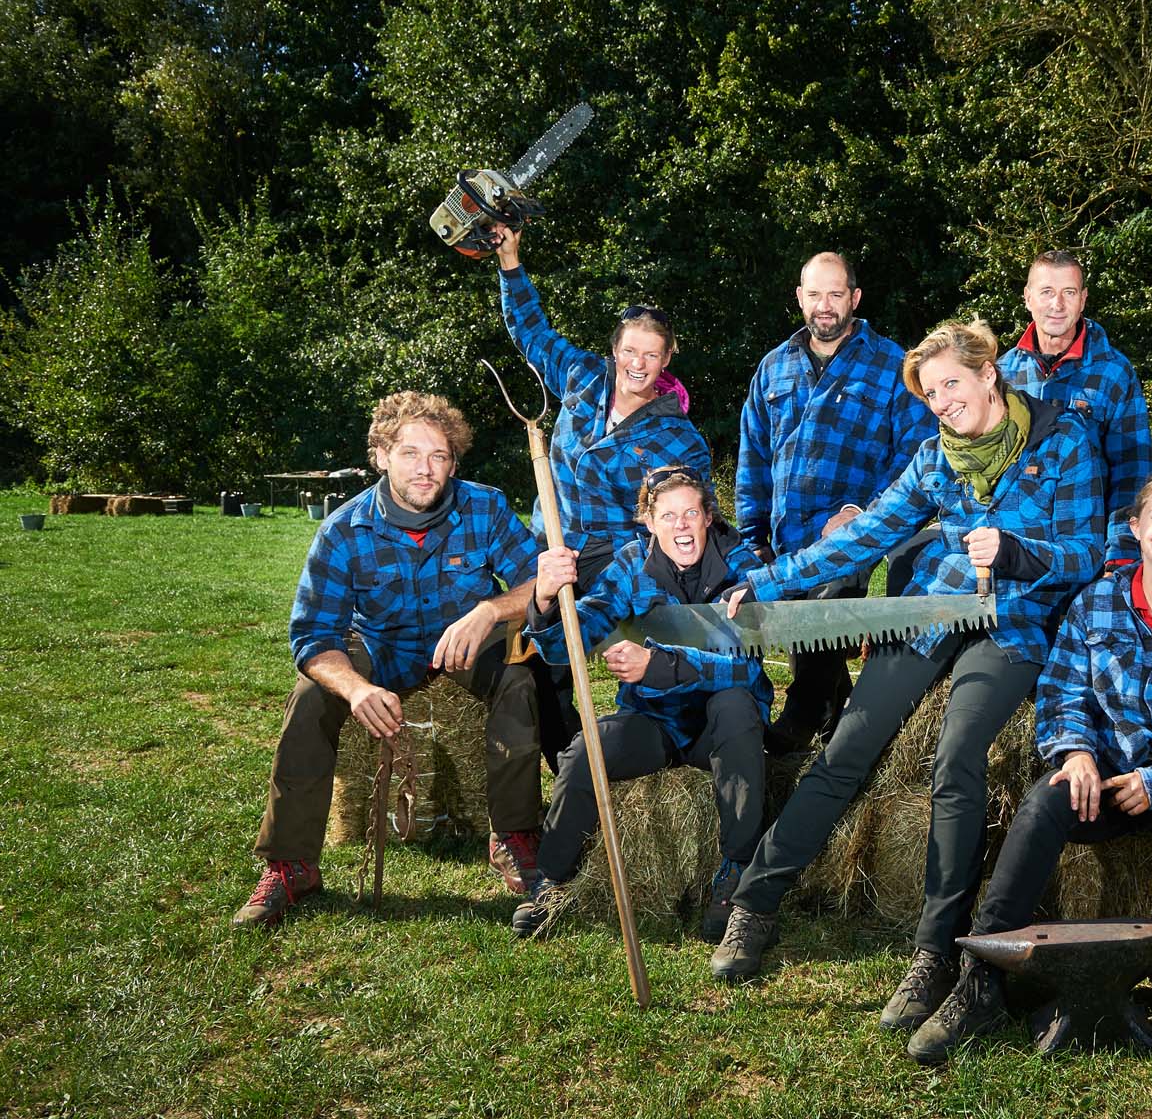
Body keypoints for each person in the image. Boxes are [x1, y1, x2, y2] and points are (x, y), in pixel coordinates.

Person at [708, 320, 1104, 1037]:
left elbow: (1086, 552)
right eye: (930, 393)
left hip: (1010, 626)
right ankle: (753, 905)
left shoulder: (1063, 441)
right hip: (928, 615)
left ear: (989, 374)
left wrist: (1018, 552)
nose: (942, 401)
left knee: (957, 761)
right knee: (845, 752)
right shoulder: (932, 459)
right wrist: (765, 584)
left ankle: (932, 954)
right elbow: (866, 535)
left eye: (952, 383)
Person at [906, 471, 1152, 1062]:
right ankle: (982, 977)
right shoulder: (1096, 601)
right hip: (1104, 777)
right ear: (1135, 529)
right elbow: (1062, 694)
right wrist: (1076, 752)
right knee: (1040, 805)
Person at [233, 391, 543, 927]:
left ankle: (514, 834)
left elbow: (539, 581)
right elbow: (312, 636)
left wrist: (489, 611)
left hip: (459, 640)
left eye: (439, 456)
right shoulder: (343, 530)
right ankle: (292, 866)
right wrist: (355, 688)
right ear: (381, 455)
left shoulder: (485, 506)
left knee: (519, 678)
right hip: (378, 645)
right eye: (410, 453)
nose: (426, 469)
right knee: (310, 698)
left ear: (454, 461)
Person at [510, 466, 772, 942]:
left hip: (719, 726)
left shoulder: (744, 566)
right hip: (655, 722)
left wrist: (663, 665)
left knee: (737, 704)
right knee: (589, 748)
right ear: (648, 522)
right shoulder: (630, 565)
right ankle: (551, 881)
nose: (681, 526)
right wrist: (547, 600)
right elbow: (567, 641)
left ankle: (736, 877)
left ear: (708, 517)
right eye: (667, 515)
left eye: (691, 512)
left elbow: (747, 669)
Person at [492, 224, 711, 755]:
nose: (638, 364)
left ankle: (630, 750)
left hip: (616, 556)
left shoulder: (678, 436)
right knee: (528, 654)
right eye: (630, 351)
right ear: (614, 350)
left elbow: (686, 515)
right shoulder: (582, 379)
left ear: (667, 360)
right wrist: (510, 263)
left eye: (651, 355)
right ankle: (570, 759)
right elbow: (531, 332)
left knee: (604, 642)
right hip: (549, 542)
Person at [736, 252, 935, 753]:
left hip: (856, 534)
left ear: (855, 298)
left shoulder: (892, 364)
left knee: (826, 607)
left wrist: (861, 513)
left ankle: (801, 715)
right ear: (800, 298)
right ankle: (836, 726)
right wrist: (752, 539)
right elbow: (754, 458)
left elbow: (915, 452)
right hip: (787, 537)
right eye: (815, 294)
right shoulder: (773, 367)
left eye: (836, 294)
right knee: (793, 621)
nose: (825, 306)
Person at [997, 249, 1152, 526]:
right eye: (1046, 291)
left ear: (1082, 300)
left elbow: (1134, 471)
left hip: (1088, 537)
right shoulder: (1003, 374)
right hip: (1015, 537)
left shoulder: (1114, 372)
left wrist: (1119, 551)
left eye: (1068, 292)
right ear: (1027, 297)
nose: (1057, 304)